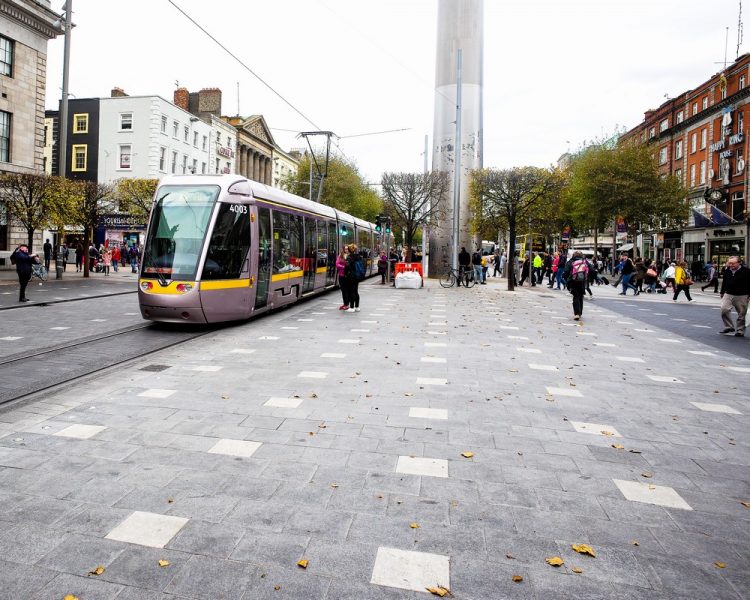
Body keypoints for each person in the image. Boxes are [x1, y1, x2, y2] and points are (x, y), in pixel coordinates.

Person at [719, 256, 750, 337]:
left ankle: (740, 331)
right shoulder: (727, 270)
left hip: (742, 294)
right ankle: (729, 326)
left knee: (741, 314)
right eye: (729, 263)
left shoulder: (746, 271)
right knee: (724, 309)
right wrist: (722, 292)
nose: (731, 265)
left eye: (733, 263)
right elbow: (724, 282)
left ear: (739, 263)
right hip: (728, 293)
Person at [563, 251, 588, 320]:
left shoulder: (571, 262)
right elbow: (591, 270)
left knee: (575, 296)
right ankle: (580, 313)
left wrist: (567, 281)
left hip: (573, 281)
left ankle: (576, 313)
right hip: (582, 282)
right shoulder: (584, 262)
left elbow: (566, 271)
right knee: (581, 296)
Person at [344, 243, 363, 312]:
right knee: (356, 291)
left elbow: (347, 267)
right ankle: (357, 307)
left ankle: (351, 307)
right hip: (357, 276)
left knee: (351, 291)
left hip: (351, 276)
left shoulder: (349, 257)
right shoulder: (358, 256)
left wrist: (346, 273)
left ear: (349, 250)